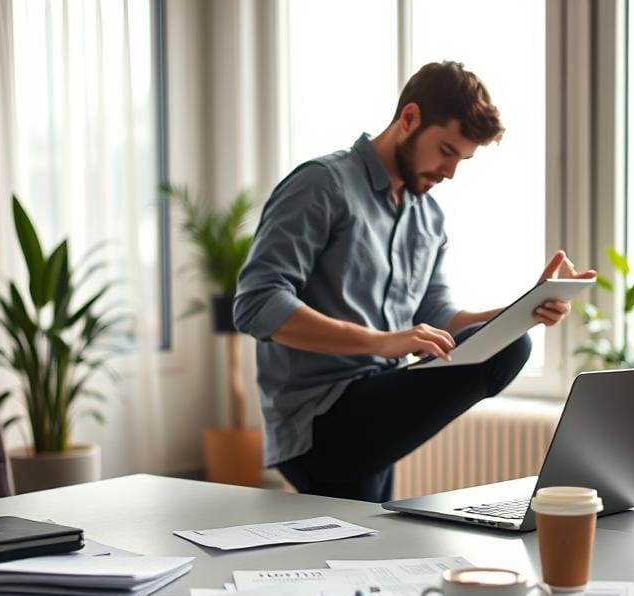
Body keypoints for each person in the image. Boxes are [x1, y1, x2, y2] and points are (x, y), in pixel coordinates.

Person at [233, 61, 595, 503]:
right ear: (409, 119)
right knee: (357, 537)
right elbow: (256, 304)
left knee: (511, 341)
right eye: (445, 150)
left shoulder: (428, 217)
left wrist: (524, 310)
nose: (450, 173)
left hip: (378, 399)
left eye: (461, 159)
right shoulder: (322, 185)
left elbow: (440, 319)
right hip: (318, 418)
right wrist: (380, 342)